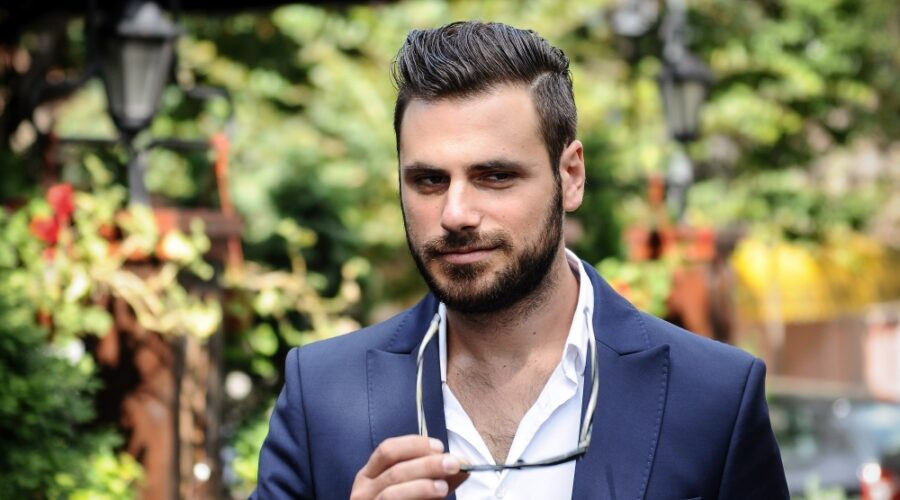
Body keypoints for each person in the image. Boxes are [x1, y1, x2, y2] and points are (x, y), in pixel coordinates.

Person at [252, 21, 788, 500]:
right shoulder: (321, 393)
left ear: (570, 176)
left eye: (495, 176)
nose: (455, 214)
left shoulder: (714, 397)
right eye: (429, 180)